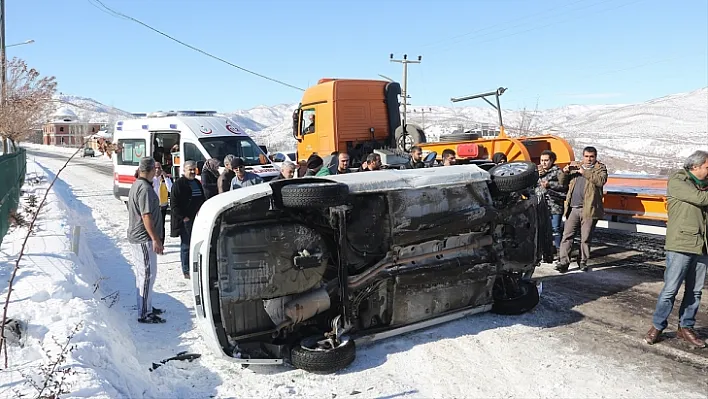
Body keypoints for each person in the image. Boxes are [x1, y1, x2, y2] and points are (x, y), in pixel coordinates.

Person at [645, 150, 708, 348]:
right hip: (681, 243)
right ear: (695, 166)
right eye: (707, 167)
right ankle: (657, 325)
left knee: (695, 291)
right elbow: (700, 199)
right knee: (670, 289)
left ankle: (686, 326)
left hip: (702, 244)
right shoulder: (678, 181)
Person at [556, 146, 608, 273]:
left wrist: (584, 172)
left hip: (589, 209)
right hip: (573, 208)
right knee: (567, 236)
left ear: (595, 157)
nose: (589, 159)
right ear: (583, 156)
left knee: (585, 238)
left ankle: (583, 261)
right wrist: (565, 172)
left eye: (591, 157)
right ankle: (564, 262)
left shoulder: (600, 168)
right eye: (586, 156)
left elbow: (600, 181)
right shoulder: (576, 167)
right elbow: (562, 182)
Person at [127, 157, 165, 324]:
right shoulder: (143, 188)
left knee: (145, 274)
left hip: (140, 237)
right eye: (154, 169)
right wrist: (155, 239)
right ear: (150, 170)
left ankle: (147, 305)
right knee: (147, 275)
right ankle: (144, 313)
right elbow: (146, 215)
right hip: (143, 238)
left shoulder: (138, 184)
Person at [170, 160, 206, 279]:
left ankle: (195, 267)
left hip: (197, 219)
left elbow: (202, 198)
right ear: (184, 170)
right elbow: (174, 204)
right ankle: (186, 269)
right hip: (185, 220)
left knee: (196, 244)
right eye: (189, 169)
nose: (192, 172)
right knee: (186, 245)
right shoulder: (179, 184)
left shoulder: (197, 182)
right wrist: (183, 217)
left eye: (193, 169)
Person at [536, 150, 567, 252]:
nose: (543, 163)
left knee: (555, 229)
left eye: (546, 160)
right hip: (540, 205)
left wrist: (550, 185)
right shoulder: (537, 172)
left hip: (555, 205)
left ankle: (559, 250)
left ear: (552, 160)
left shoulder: (558, 172)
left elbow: (564, 186)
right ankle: (545, 249)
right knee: (542, 229)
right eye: (542, 160)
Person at [152, 162, 173, 244]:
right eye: (155, 168)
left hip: (162, 205)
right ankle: (154, 241)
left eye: (159, 168)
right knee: (153, 224)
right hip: (153, 206)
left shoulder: (164, 178)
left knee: (161, 225)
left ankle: (161, 243)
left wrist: (166, 177)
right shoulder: (150, 179)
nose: (157, 170)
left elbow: (170, 189)